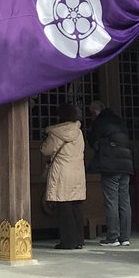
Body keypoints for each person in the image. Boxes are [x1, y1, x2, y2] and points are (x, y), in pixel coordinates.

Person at [86, 100, 133, 246]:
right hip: (125, 164)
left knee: (111, 200)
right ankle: (125, 237)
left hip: (110, 164)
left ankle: (112, 236)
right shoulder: (119, 121)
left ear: (95, 111)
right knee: (124, 201)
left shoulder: (100, 122)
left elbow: (93, 140)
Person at [41, 101, 86, 249]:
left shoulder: (56, 134)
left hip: (62, 172)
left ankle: (68, 241)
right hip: (77, 171)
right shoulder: (79, 132)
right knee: (76, 207)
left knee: (64, 208)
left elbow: (45, 150)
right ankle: (79, 240)